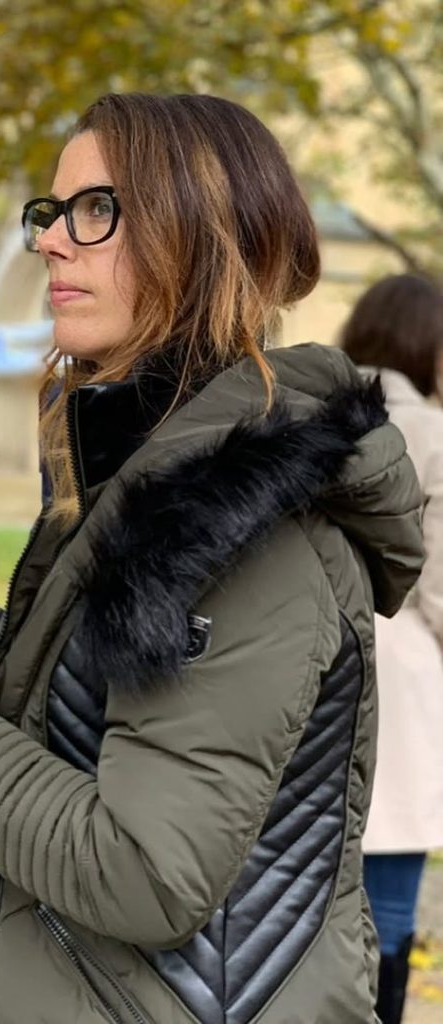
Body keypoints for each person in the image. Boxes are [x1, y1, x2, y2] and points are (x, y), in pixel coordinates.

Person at [0, 93, 426, 1023]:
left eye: (95, 209)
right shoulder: (139, 476)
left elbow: (144, 875)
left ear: (200, 235)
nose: (50, 241)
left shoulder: (241, 521)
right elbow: (97, 738)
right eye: (49, 212)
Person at [339, 273, 443, 1024]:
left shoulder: (308, 413)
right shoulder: (433, 433)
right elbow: (436, 576)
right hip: (402, 666)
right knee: (392, 894)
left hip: (308, 653)